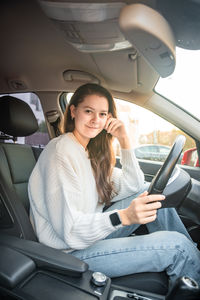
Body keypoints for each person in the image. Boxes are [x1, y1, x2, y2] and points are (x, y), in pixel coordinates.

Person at [28, 83, 200, 287]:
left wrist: (124, 140)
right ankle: (190, 259)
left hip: (87, 238)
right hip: (68, 253)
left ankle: (193, 257)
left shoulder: (88, 154)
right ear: (73, 111)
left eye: (102, 114)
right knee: (179, 248)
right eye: (88, 111)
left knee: (148, 194)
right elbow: (71, 231)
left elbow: (134, 185)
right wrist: (125, 216)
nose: (95, 120)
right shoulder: (60, 152)